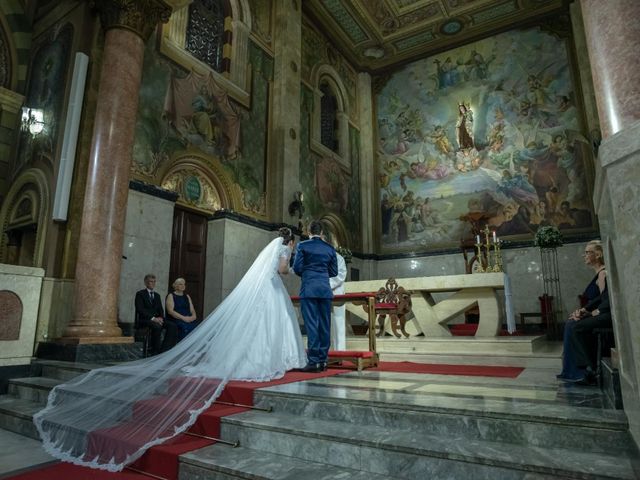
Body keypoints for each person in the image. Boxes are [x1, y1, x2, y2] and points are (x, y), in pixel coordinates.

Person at [33, 227, 306, 472]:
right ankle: (269, 358)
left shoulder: (272, 248)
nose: (292, 249)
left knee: (261, 327)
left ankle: (258, 356)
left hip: (267, 290)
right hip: (271, 289)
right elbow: (282, 270)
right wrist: (292, 267)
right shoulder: (284, 251)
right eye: (292, 245)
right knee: (269, 325)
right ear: (289, 241)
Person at [557, 240, 606, 383]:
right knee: (571, 322)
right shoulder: (599, 273)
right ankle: (573, 369)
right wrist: (583, 310)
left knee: (573, 325)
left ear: (597, 255)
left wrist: (590, 313)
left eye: (587, 252)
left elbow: (605, 300)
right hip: (595, 311)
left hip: (601, 314)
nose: (584, 255)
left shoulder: (603, 274)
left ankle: (583, 370)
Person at [293, 220, 338, 372]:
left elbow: (297, 268)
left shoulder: (303, 246)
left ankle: (313, 361)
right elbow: (334, 272)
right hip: (325, 290)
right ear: (322, 233)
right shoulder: (330, 249)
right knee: (325, 325)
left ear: (309, 232)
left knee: (312, 324)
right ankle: (323, 360)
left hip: (309, 289)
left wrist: (308, 272)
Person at [134, 274, 178, 355]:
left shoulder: (157, 295)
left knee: (173, 325)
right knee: (157, 326)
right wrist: (153, 318)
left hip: (158, 319)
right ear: (146, 283)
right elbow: (140, 310)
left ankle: (164, 350)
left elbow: (160, 309)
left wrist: (161, 317)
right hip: (145, 320)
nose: (153, 283)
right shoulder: (140, 294)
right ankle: (155, 351)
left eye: (154, 282)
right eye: (151, 281)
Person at [329, 242, 347, 351]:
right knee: (327, 324)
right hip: (323, 293)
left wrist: (325, 284)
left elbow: (340, 275)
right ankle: (328, 351)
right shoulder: (322, 257)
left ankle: (340, 351)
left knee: (338, 323)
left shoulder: (339, 258)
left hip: (336, 292)